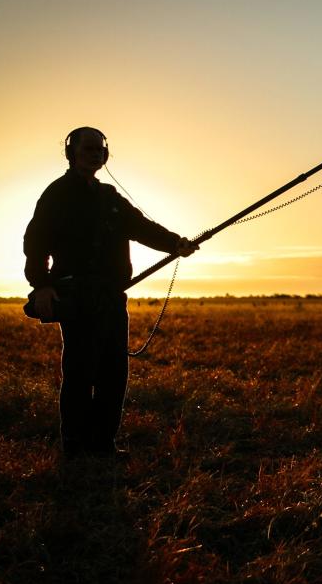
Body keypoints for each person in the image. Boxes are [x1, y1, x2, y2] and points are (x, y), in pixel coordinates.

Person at [23, 126, 197, 459]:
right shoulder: (57, 194)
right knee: (79, 374)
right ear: (71, 153)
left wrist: (176, 243)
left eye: (100, 149)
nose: (95, 153)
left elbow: (141, 227)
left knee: (113, 375)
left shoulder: (110, 198)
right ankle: (75, 450)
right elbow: (36, 243)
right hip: (76, 294)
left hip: (113, 295)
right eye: (87, 148)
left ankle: (103, 446)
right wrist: (41, 285)